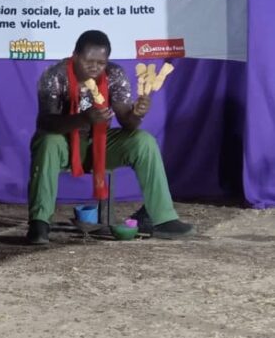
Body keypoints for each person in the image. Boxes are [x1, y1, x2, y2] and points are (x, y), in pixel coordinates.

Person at [26, 29, 194, 244]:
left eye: (101, 62)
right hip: (63, 145)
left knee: (144, 141)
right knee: (48, 142)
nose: (95, 67)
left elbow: (127, 123)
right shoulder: (54, 75)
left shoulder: (114, 74)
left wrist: (137, 113)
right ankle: (39, 224)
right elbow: (45, 123)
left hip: (100, 143)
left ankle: (163, 219)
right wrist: (83, 119)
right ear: (75, 55)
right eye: (89, 61)